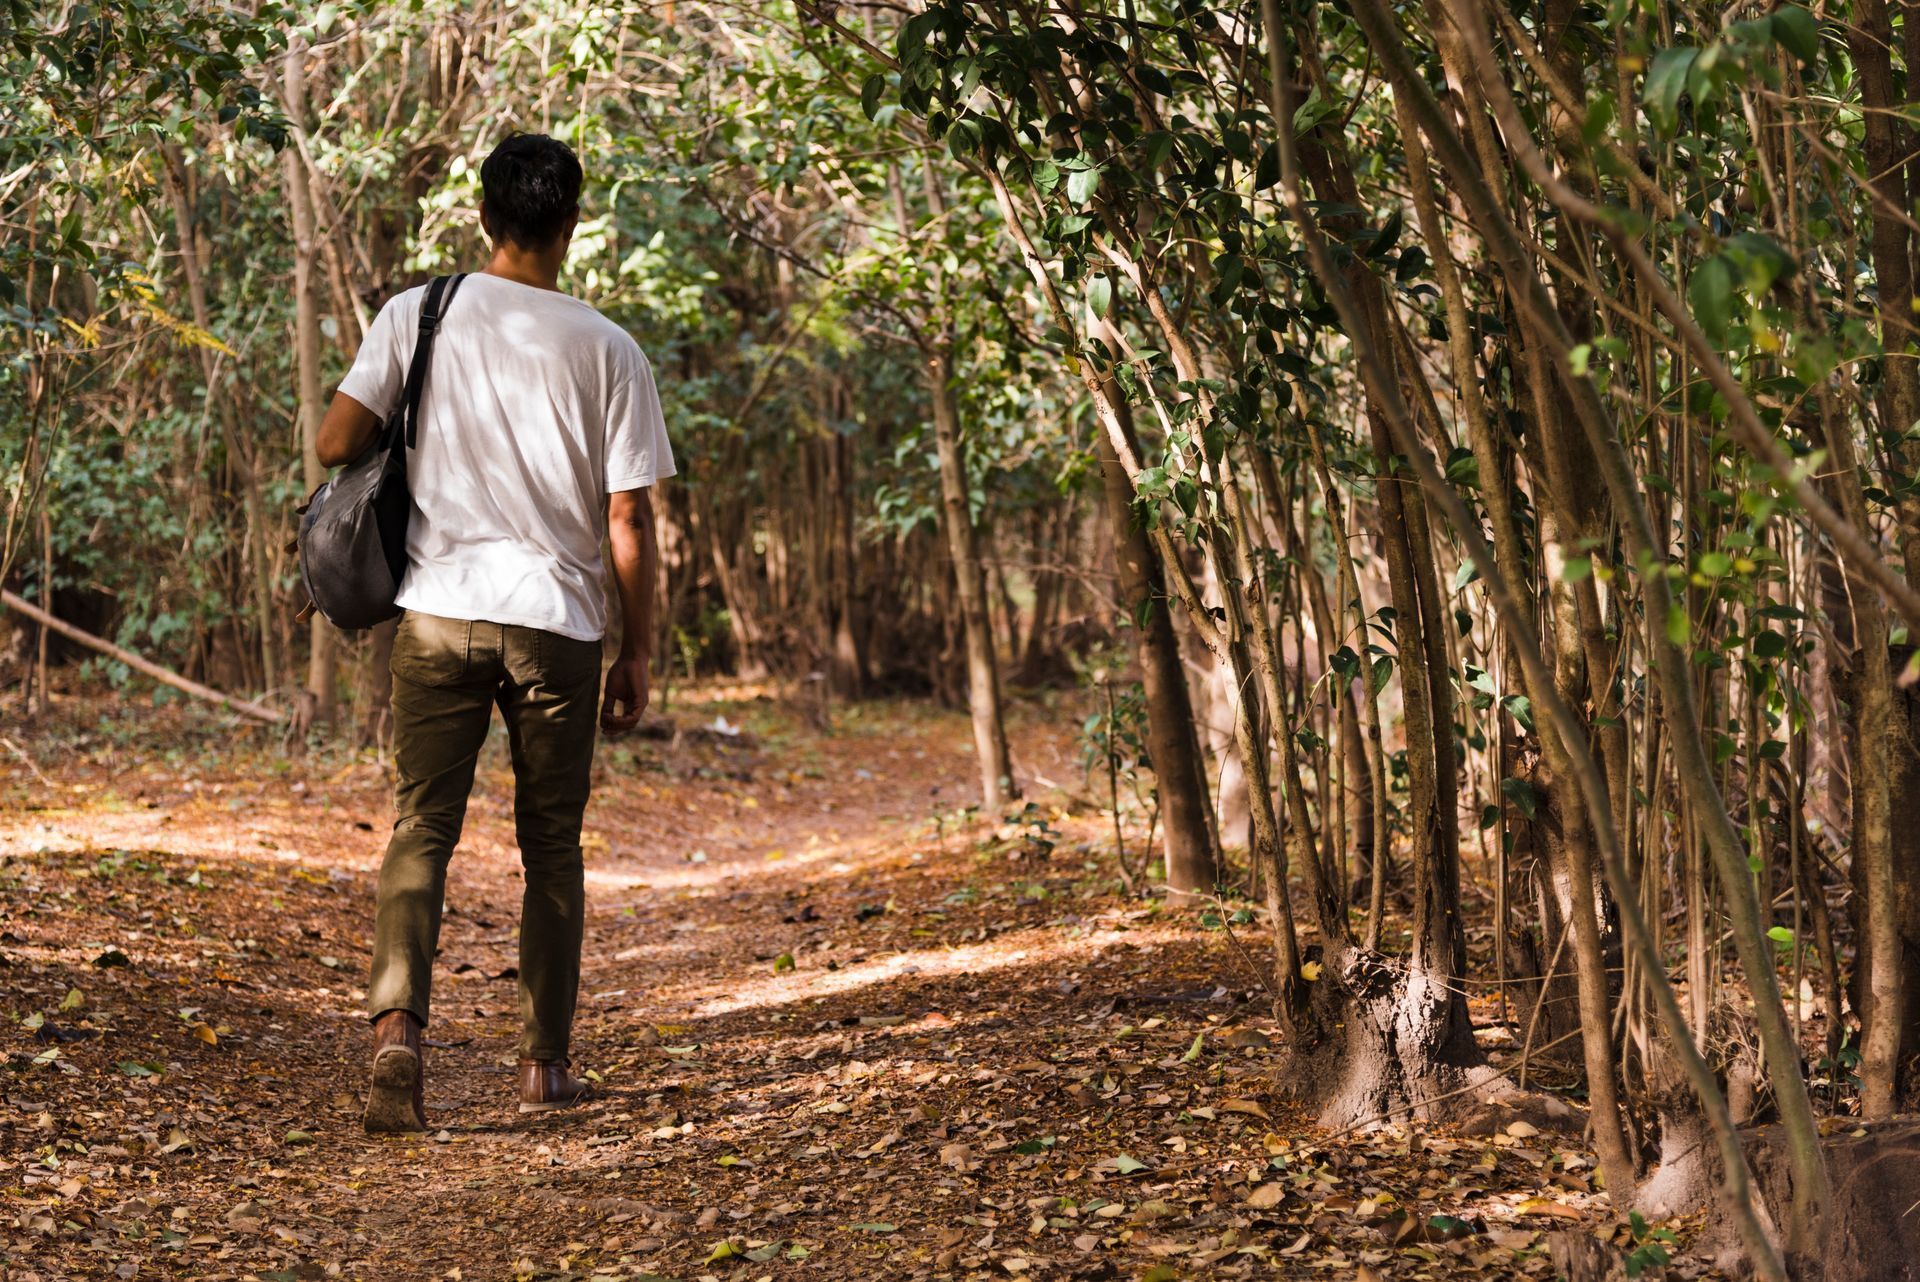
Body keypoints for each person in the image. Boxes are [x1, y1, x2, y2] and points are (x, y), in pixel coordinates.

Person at [314, 133, 671, 1132]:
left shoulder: (416, 314)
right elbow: (630, 524)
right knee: (551, 842)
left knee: (422, 826)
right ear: (571, 225)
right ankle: (543, 1068)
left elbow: (335, 442)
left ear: (483, 218)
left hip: (440, 610)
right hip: (558, 625)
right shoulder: (609, 347)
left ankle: (397, 1034)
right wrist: (636, 647)